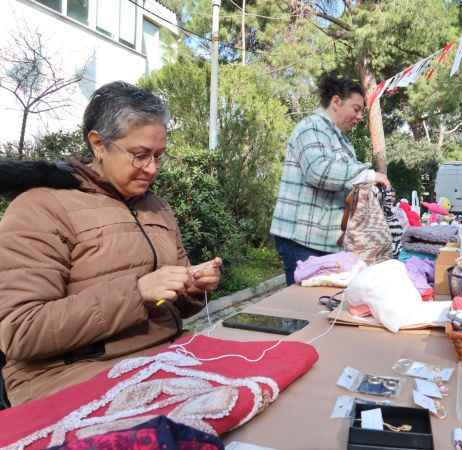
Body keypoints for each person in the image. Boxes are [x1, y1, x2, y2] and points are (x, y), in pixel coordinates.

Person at [0, 82, 222, 406]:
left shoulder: (156, 207)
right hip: (73, 378)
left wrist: (193, 286)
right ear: (98, 144)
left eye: (159, 156)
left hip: (165, 360)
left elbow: (180, 308)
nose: (152, 169)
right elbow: (21, 332)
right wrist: (138, 293)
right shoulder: (40, 208)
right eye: (140, 155)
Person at [270, 73, 390, 285]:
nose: (360, 116)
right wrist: (368, 175)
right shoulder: (312, 127)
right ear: (336, 101)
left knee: (318, 304)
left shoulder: (339, 138)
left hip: (323, 240)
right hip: (303, 240)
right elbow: (318, 171)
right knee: (303, 307)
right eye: (356, 109)